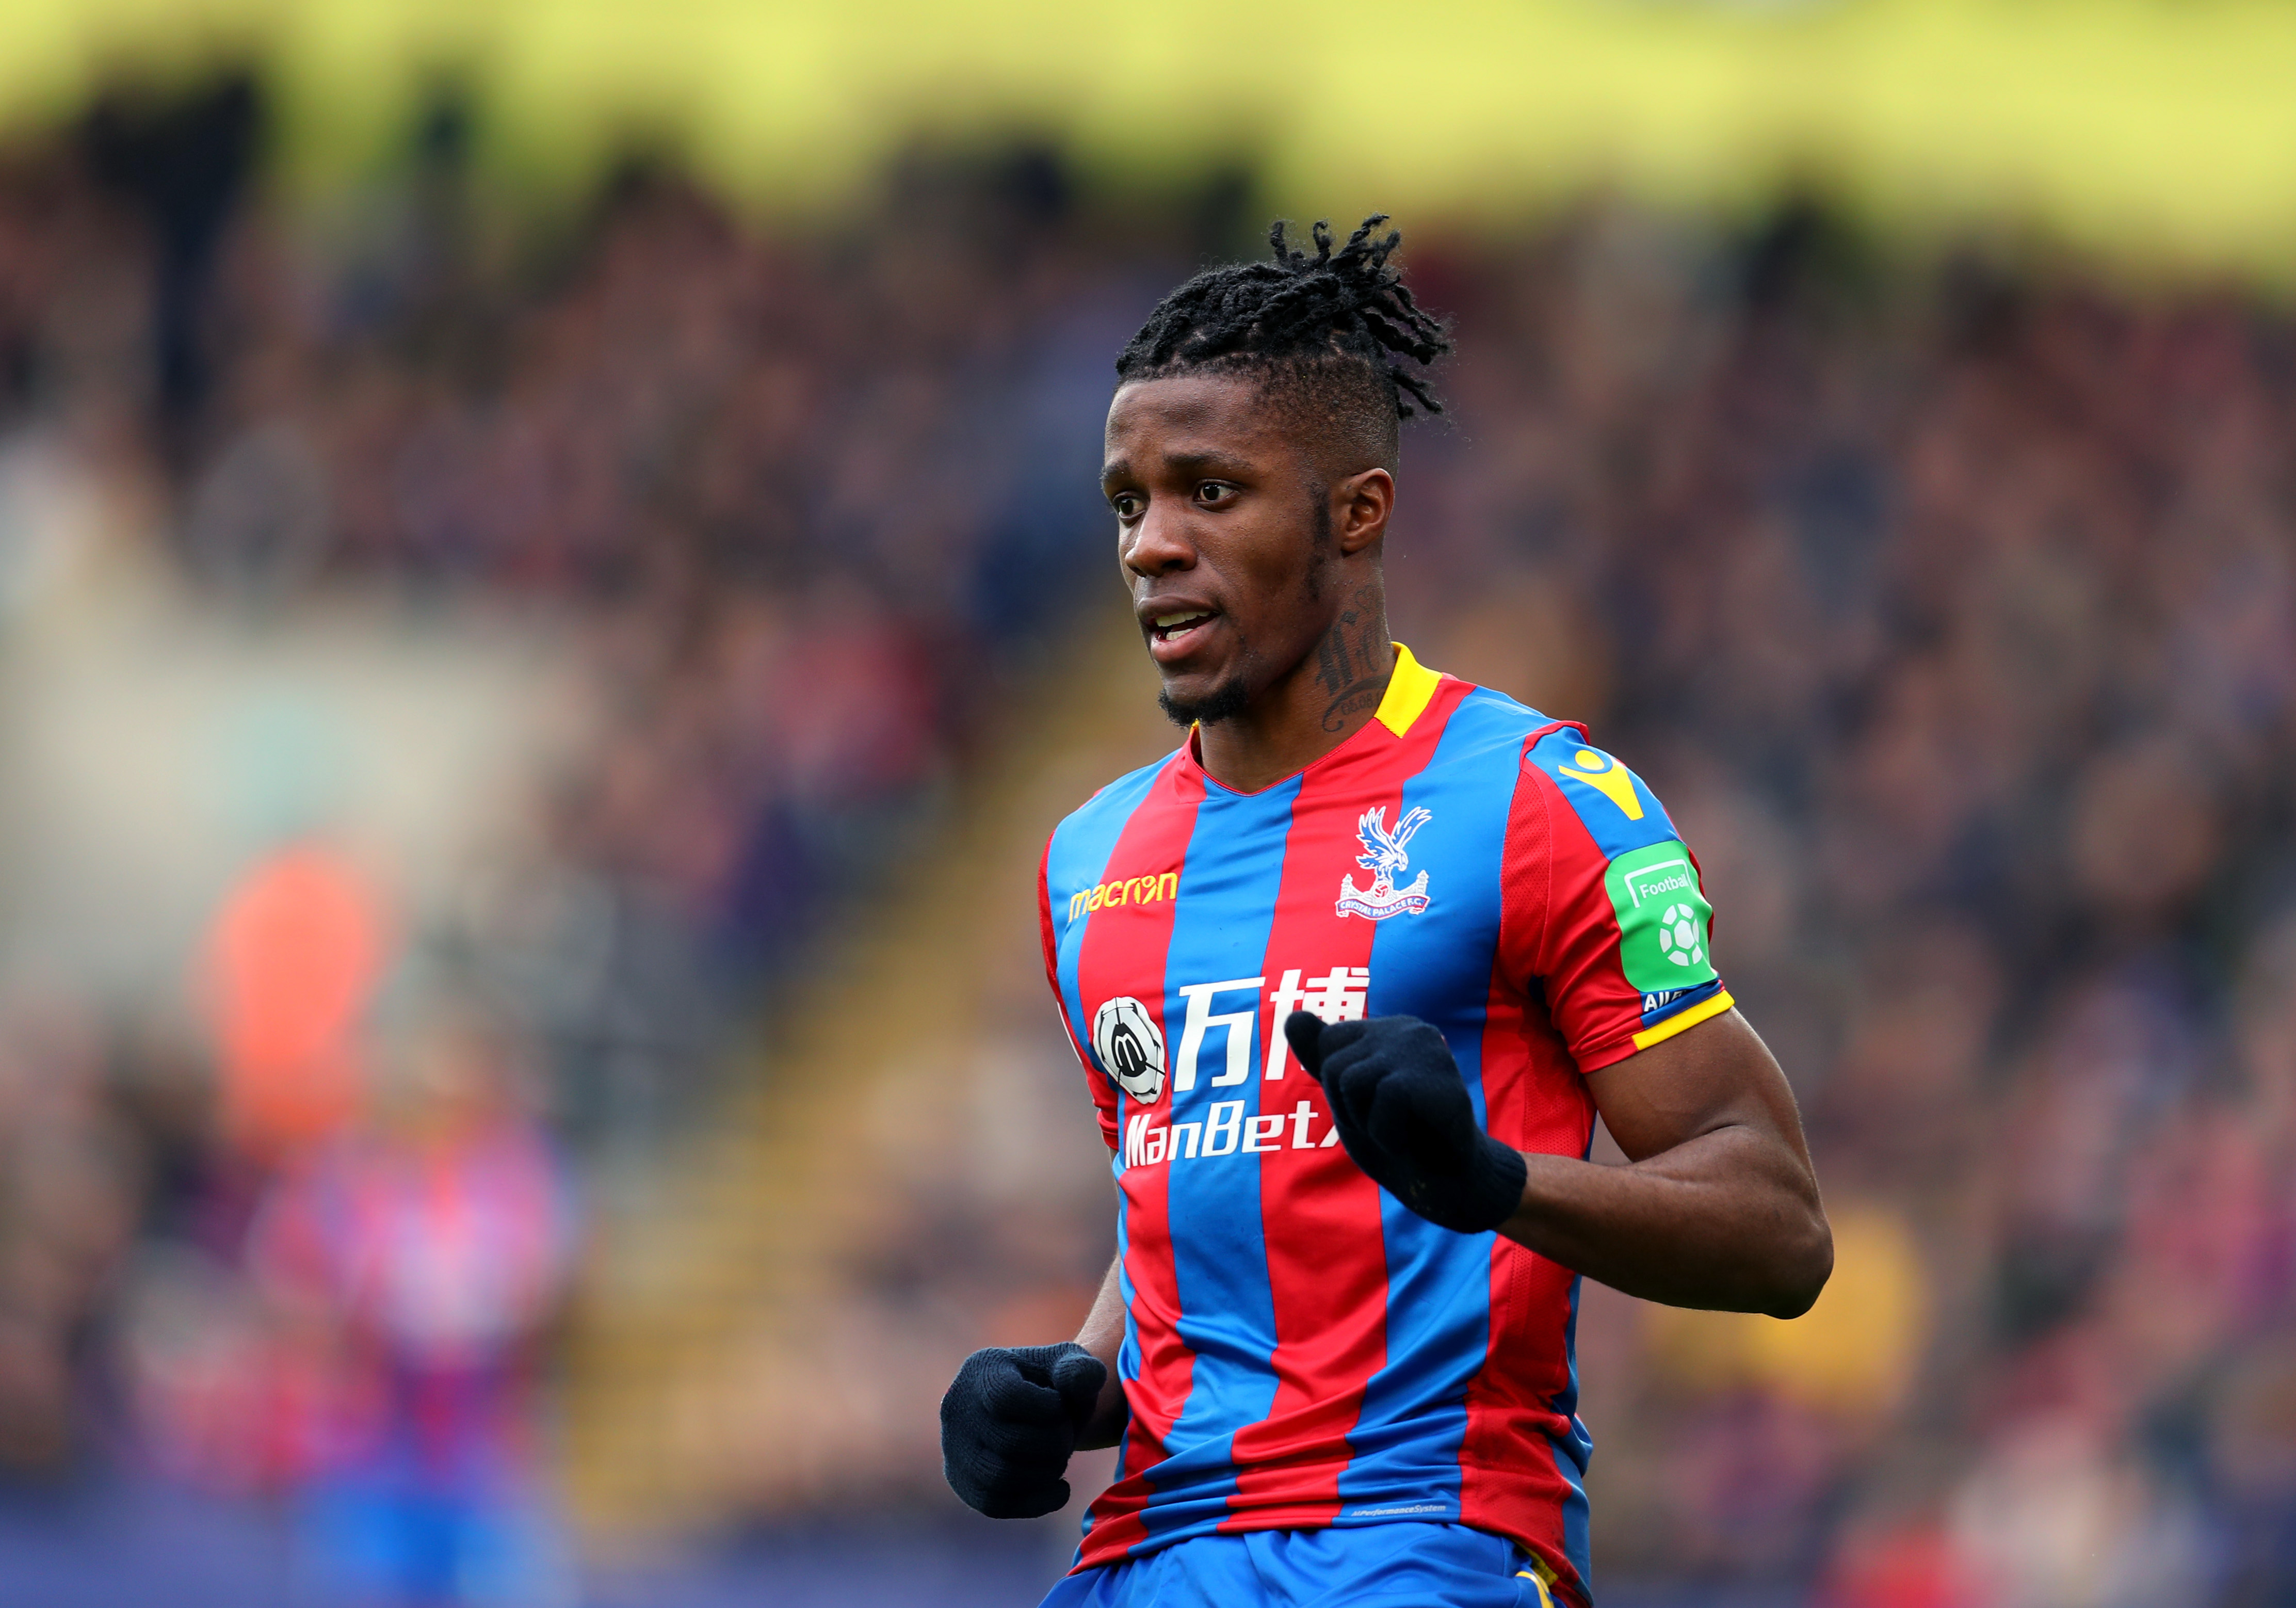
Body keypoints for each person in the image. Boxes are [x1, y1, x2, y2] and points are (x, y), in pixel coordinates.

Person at [939, 216, 1832, 1608]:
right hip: (1147, 1555)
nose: (1152, 546)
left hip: (1422, 1539)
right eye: (1129, 502)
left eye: (1210, 492)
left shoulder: (1540, 800)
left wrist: (1492, 1181)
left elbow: (1780, 1230)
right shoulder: (1088, 857)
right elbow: (1190, 1200)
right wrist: (1075, 1386)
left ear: (1354, 511)